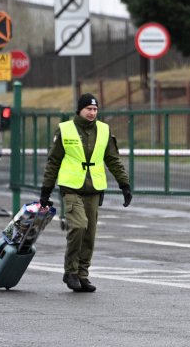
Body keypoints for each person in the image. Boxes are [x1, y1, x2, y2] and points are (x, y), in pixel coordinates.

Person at [39, 93, 132, 292]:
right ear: (79, 110)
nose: (92, 113)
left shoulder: (104, 130)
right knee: (79, 226)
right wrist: (46, 190)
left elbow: (113, 160)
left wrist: (124, 185)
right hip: (72, 188)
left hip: (94, 189)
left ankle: (82, 275)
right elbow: (53, 162)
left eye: (95, 109)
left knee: (89, 234)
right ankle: (70, 272)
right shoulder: (65, 130)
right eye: (88, 109)